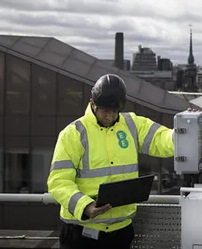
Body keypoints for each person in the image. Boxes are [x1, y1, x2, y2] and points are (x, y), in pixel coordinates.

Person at [47, 73, 182, 249]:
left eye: (114, 111)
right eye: (105, 110)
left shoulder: (132, 124)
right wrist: (85, 206)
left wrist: (183, 132)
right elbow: (58, 181)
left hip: (120, 232)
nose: (110, 116)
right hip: (82, 233)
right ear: (93, 103)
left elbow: (161, 139)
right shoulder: (74, 133)